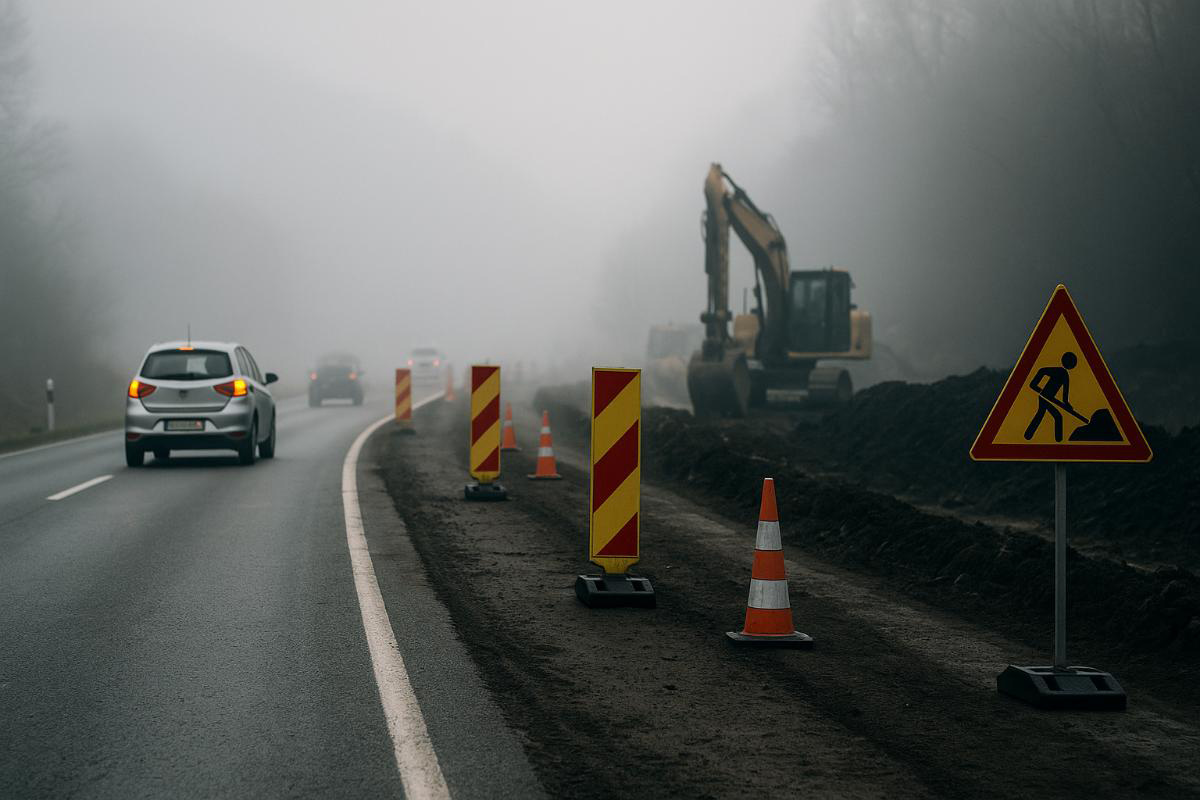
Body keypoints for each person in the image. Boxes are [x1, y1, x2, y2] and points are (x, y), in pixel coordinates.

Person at [1023, 352, 1077, 442]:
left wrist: (1068, 405)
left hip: (1049, 398)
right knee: (1056, 417)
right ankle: (1058, 441)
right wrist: (1035, 386)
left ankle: (1028, 436)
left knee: (1042, 414)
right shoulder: (1059, 371)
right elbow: (1042, 370)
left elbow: (1065, 396)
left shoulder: (1065, 376)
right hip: (1044, 397)